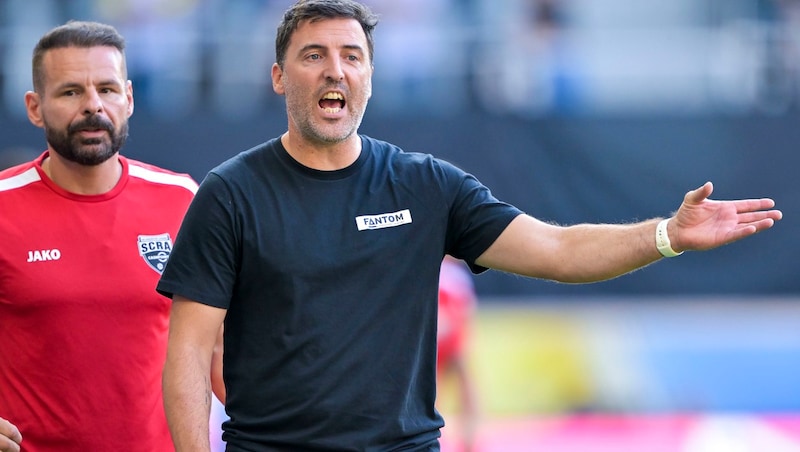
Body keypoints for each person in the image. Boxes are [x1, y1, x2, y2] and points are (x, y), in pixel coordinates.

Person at [156, 1, 783, 450]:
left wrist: (667, 235)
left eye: (352, 56)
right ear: (277, 76)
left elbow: (558, 250)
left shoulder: (426, 185)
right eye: (313, 55)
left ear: (369, 78)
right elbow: (186, 350)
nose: (335, 70)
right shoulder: (230, 194)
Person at [0, 21, 198, 452]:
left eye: (107, 89)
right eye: (71, 92)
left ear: (128, 97)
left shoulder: (183, 198)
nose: (93, 106)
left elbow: (221, 346)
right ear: (35, 108)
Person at [436, 256, 479, 452]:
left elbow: (467, 310)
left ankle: (469, 442)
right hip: (436, 343)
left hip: (455, 343)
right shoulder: (436, 269)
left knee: (468, 393)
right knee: (433, 397)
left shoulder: (458, 274)